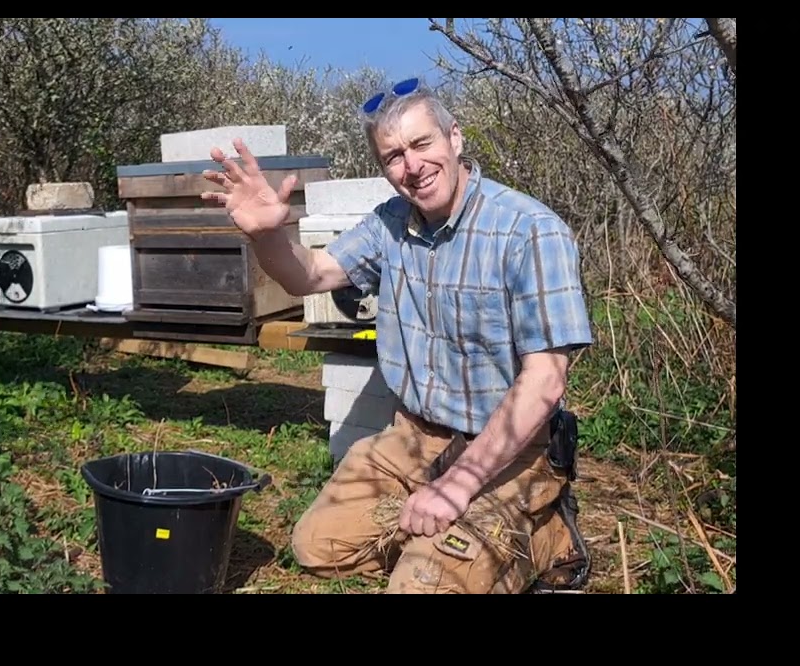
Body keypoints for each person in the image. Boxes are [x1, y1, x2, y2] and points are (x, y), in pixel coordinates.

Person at [199, 77, 594, 594]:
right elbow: (310, 275)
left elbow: (545, 382)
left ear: (455, 138)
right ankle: (445, 540)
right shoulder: (390, 224)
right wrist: (268, 233)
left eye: (422, 143)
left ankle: (545, 538)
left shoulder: (530, 231)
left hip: (508, 451)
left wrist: (457, 487)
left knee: (422, 587)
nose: (411, 166)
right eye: (393, 156)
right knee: (316, 547)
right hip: (412, 437)